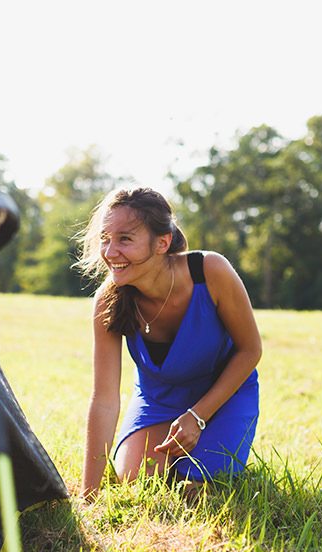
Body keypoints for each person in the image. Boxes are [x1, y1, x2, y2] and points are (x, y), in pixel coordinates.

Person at [75, 186, 261, 500]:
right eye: (105, 238)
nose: (109, 251)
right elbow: (104, 399)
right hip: (157, 399)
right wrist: (88, 494)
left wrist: (198, 416)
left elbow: (250, 349)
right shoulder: (108, 300)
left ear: (162, 242)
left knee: (195, 490)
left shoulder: (210, 271)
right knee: (137, 479)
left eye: (125, 239)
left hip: (224, 395)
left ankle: (218, 447)